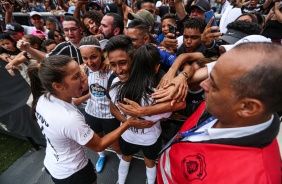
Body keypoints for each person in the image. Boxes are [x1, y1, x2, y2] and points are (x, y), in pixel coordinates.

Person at [157, 42, 281, 184]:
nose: (204, 84)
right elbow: (194, 111)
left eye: (214, 85)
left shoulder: (254, 178)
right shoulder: (224, 106)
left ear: (248, 107)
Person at [26, 55, 145, 184]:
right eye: (76, 77)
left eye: (81, 71)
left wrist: (89, 95)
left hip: (54, 164)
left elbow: (70, 103)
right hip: (74, 172)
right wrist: (128, 123)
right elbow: (99, 145)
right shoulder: (69, 119)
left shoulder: (44, 98)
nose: (84, 77)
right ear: (58, 86)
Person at [109, 44, 172, 184]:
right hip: (150, 137)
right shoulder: (159, 95)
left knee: (126, 157)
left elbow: (112, 107)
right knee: (150, 162)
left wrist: (128, 121)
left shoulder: (115, 85)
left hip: (127, 134)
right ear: (157, 68)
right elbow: (166, 116)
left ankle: (120, 182)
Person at [77, 36, 122, 173]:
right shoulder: (84, 69)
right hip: (92, 112)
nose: (89, 62)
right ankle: (101, 156)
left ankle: (122, 159)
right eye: (85, 58)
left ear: (102, 53)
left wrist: (109, 59)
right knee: (96, 140)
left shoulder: (111, 68)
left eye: (93, 57)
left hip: (110, 114)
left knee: (116, 145)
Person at [17, 16, 83, 64]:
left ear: (80, 30)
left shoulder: (91, 41)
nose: (70, 33)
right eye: (66, 30)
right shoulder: (63, 47)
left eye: (73, 29)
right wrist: (28, 49)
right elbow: (45, 58)